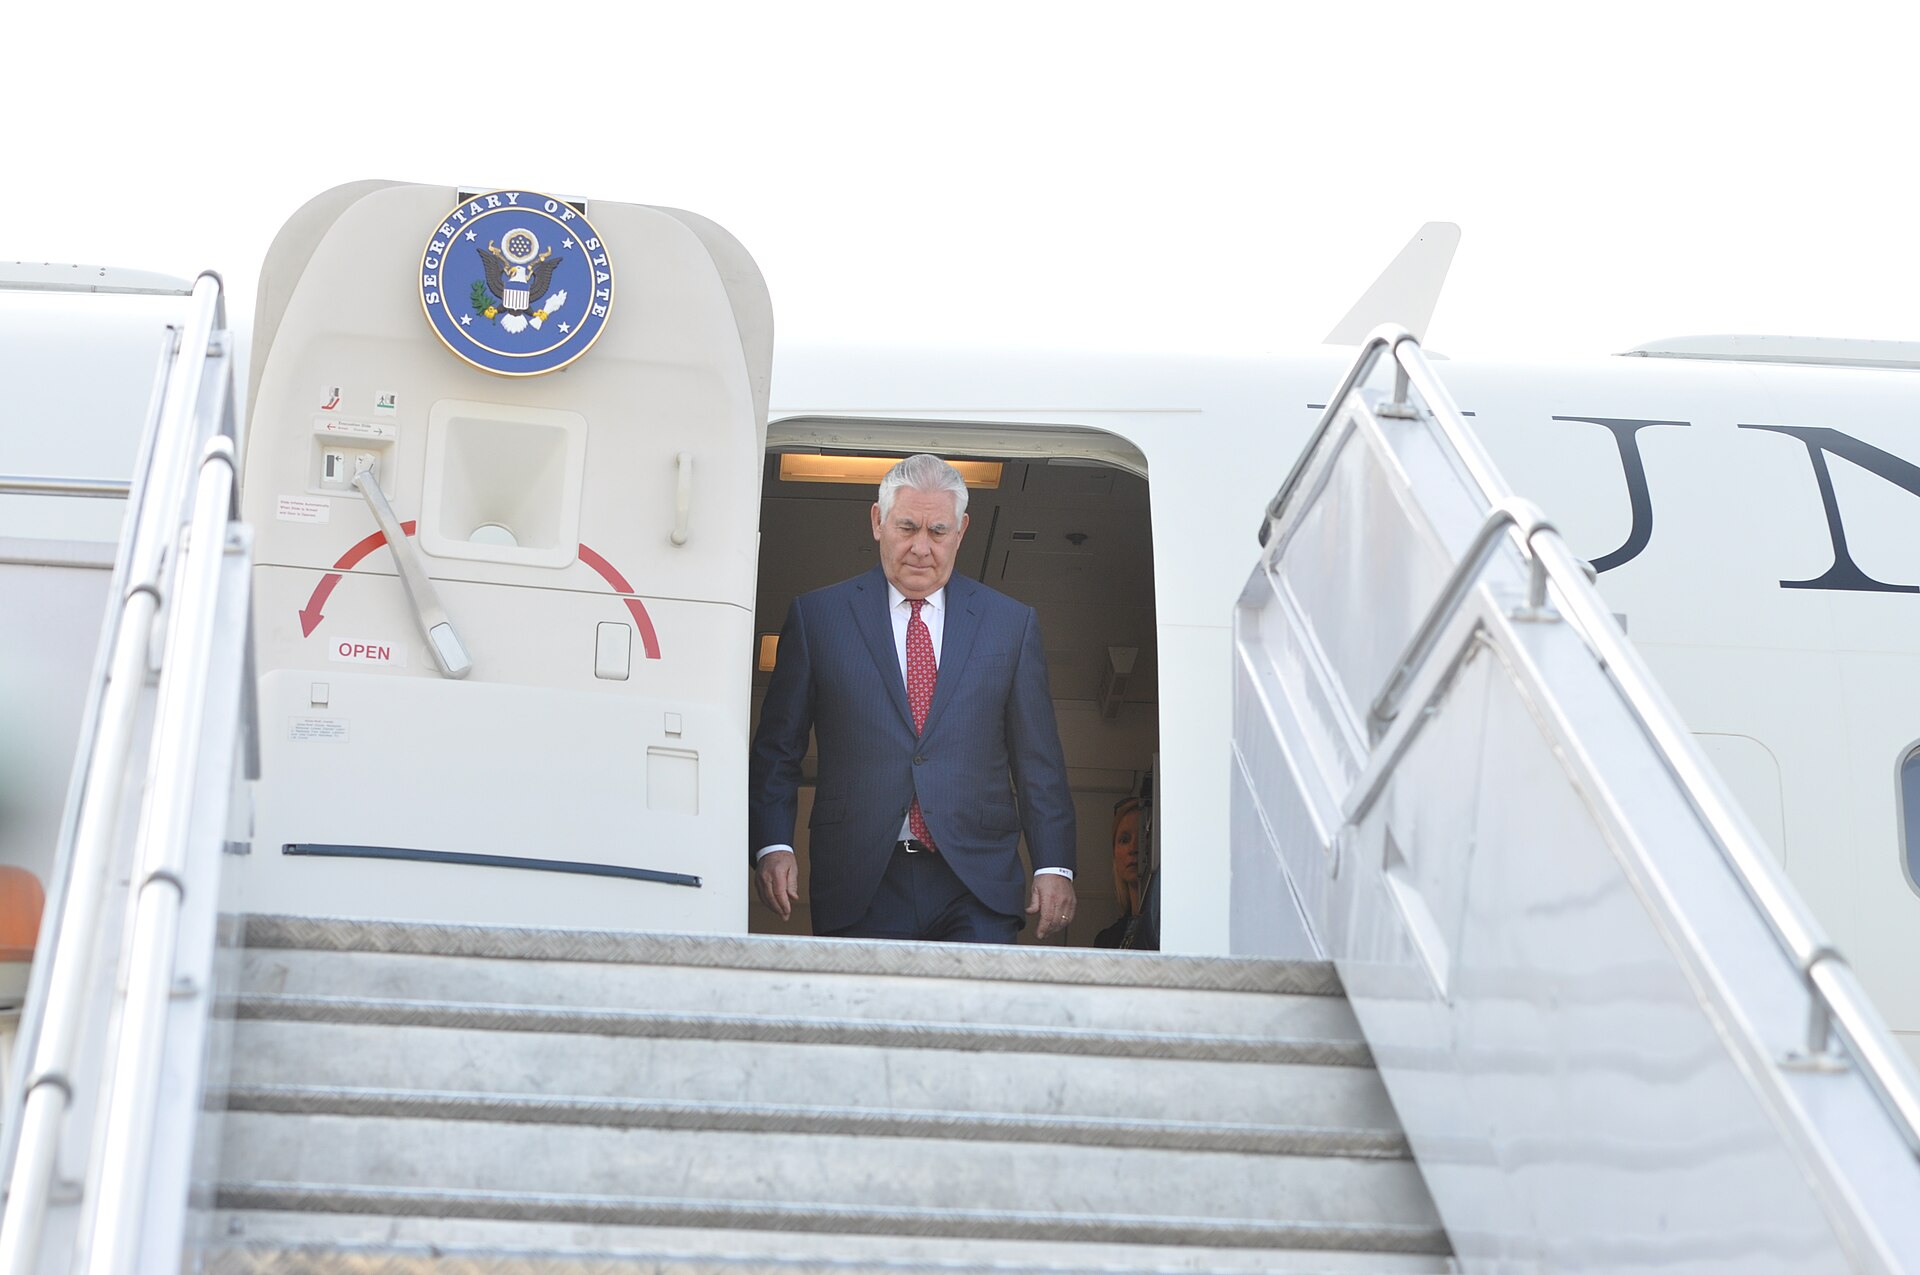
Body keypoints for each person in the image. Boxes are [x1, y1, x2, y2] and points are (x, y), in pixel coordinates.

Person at [749, 454, 1076, 942]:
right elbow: (778, 749)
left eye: (938, 532)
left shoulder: (1011, 625)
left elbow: (1038, 760)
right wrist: (772, 844)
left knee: (971, 1017)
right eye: (907, 527)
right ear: (878, 521)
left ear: (962, 531)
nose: (921, 548)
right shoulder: (818, 619)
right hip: (861, 877)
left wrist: (1055, 865)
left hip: (976, 879)